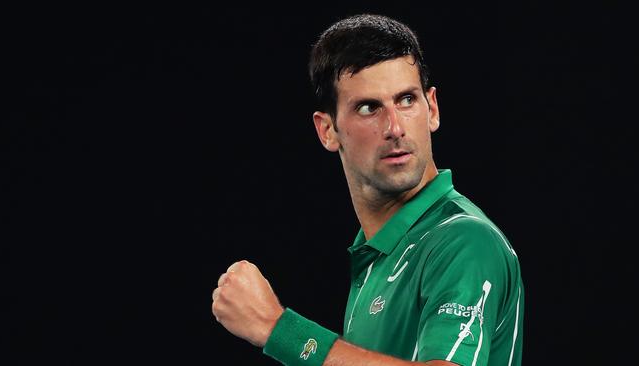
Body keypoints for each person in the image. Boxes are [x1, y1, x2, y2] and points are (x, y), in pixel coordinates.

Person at [211, 13, 524, 366]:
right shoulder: (378, 259)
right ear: (327, 130)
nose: (395, 127)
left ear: (432, 108)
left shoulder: (464, 240)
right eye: (368, 107)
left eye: (407, 100)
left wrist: (277, 328)